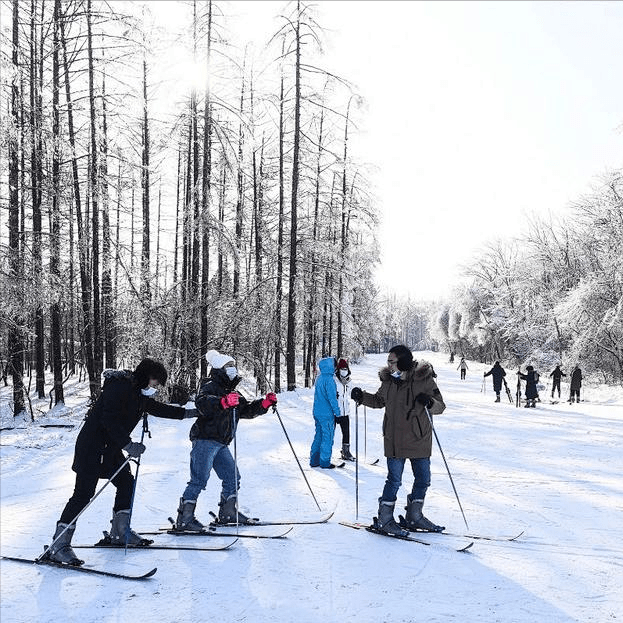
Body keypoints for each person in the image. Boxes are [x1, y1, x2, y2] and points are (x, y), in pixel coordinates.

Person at [46, 358, 197, 566]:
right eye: (154, 383)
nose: (155, 388)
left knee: (126, 482)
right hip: (92, 448)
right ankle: (59, 545)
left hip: (111, 449)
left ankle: (119, 532)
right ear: (146, 376)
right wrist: (128, 445)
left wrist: (192, 413)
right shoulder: (119, 388)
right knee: (83, 494)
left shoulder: (138, 393)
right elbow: (109, 420)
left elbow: (160, 409)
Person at [174, 350, 277, 530]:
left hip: (221, 443)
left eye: (233, 366)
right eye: (228, 366)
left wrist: (264, 403)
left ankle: (228, 513)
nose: (232, 369)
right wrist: (223, 402)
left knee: (232, 476)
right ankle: (185, 519)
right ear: (219, 369)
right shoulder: (209, 386)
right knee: (199, 479)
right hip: (205, 439)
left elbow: (246, 410)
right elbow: (203, 403)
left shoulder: (232, 391)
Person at [350, 345, 446, 536]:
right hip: (395, 439)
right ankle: (385, 519)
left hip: (419, 438)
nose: (389, 365)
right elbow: (379, 401)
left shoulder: (423, 378)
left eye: (392, 361)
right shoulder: (389, 381)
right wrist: (362, 397)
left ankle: (414, 516)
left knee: (423, 480)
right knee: (394, 480)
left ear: (402, 362)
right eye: (388, 361)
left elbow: (440, 406)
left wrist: (429, 402)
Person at [310, 357, 342, 469]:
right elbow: (332, 399)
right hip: (326, 414)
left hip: (317, 412)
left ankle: (314, 460)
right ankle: (324, 462)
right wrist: (337, 413)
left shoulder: (319, 378)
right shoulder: (329, 380)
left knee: (318, 436)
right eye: (334, 365)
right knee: (327, 437)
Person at [335, 358, 355, 461]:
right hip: (334, 411)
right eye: (342, 368)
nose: (344, 370)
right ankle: (326, 453)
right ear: (338, 369)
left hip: (345, 410)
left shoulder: (348, 380)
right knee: (330, 433)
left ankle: (346, 452)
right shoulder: (334, 379)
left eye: (345, 368)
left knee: (346, 432)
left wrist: (357, 394)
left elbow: (351, 391)